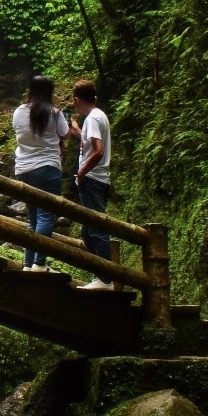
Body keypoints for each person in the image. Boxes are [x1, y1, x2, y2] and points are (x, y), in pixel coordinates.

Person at [12, 75, 70, 272]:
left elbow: (19, 133)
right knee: (46, 216)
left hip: (24, 170)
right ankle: (39, 263)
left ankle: (28, 264)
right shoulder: (53, 112)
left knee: (33, 219)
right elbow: (65, 134)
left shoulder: (19, 111)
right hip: (47, 167)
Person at [70, 79, 113, 290]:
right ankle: (100, 276)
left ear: (77, 100)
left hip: (93, 179)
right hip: (97, 179)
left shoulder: (93, 119)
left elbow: (98, 151)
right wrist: (78, 131)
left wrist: (81, 173)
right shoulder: (97, 116)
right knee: (87, 232)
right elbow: (91, 144)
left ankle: (105, 279)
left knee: (96, 230)